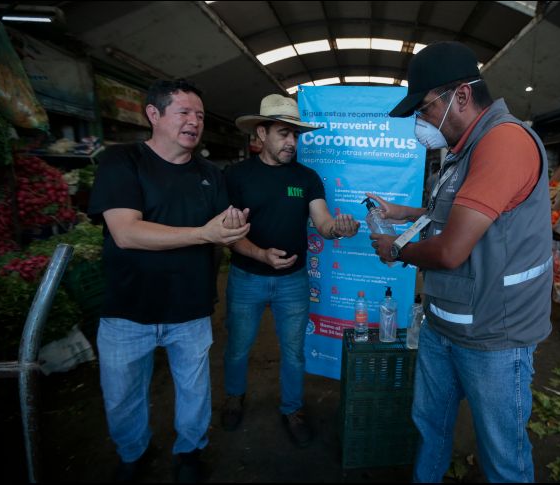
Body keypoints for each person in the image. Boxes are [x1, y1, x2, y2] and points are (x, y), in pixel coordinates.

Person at [368, 41, 553, 482]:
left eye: (426, 109)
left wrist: (395, 249)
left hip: (494, 335)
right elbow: (453, 215)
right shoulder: (462, 150)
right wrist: (402, 213)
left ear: (462, 96)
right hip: (444, 321)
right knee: (430, 428)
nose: (421, 122)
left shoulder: (504, 142)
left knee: (503, 456)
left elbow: (451, 250)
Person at [88, 79, 250, 482]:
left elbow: (224, 228)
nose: (194, 121)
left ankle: (190, 451)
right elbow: (126, 233)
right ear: (153, 115)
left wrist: (232, 228)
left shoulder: (211, 175)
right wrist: (205, 233)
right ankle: (132, 454)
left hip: (190, 308)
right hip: (127, 308)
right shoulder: (122, 161)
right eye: (184, 112)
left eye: (198, 114)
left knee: (194, 392)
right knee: (123, 397)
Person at [221, 94, 360, 447]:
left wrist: (338, 229)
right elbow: (227, 233)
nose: (291, 143)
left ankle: (292, 409)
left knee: (294, 352)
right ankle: (234, 397)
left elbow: (323, 222)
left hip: (293, 283)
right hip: (246, 278)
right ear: (262, 133)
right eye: (284, 134)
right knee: (237, 347)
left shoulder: (307, 178)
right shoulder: (236, 176)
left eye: (295, 136)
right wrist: (261, 255)